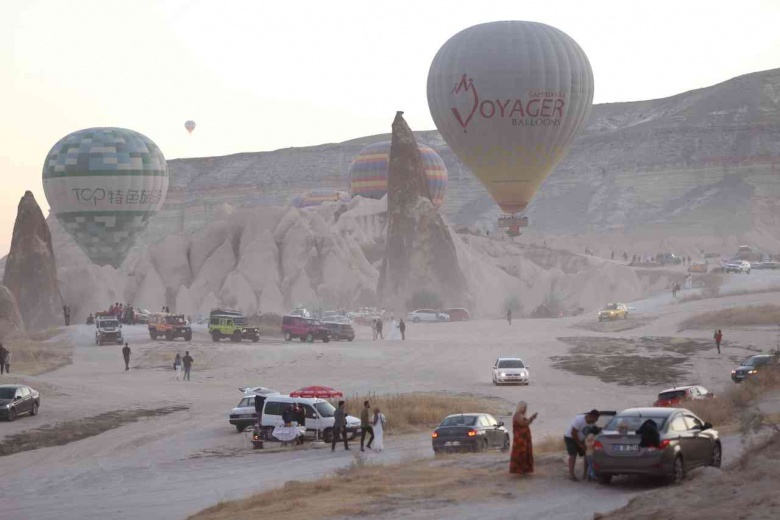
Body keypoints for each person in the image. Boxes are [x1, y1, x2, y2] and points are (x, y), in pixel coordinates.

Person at [564, 409, 599, 481]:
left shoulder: (592, 423)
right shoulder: (579, 420)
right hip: (570, 437)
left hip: (581, 438)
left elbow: (596, 431)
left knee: (587, 453)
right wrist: (580, 445)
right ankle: (571, 475)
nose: (595, 421)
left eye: (596, 420)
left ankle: (585, 474)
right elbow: (573, 433)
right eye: (595, 419)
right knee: (573, 455)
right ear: (590, 416)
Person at [510, 401, 537, 476]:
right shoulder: (517, 415)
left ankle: (525, 470)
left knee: (525, 454)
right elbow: (524, 424)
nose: (526, 409)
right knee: (521, 454)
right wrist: (532, 418)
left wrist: (531, 419)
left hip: (524, 438)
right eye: (525, 408)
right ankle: (520, 471)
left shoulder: (521, 415)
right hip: (520, 439)